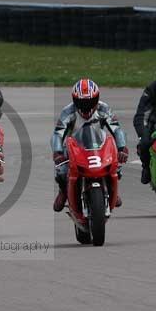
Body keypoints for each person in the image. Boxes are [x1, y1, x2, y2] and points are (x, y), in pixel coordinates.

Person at [50, 79, 128, 212]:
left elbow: (116, 129)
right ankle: (63, 191)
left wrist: (122, 147)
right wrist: (57, 152)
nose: (86, 106)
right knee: (62, 171)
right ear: (75, 100)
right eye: (82, 102)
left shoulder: (104, 108)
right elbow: (58, 133)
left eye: (90, 101)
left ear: (96, 99)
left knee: (116, 167)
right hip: (75, 148)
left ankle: (112, 190)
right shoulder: (68, 111)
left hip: (100, 147)